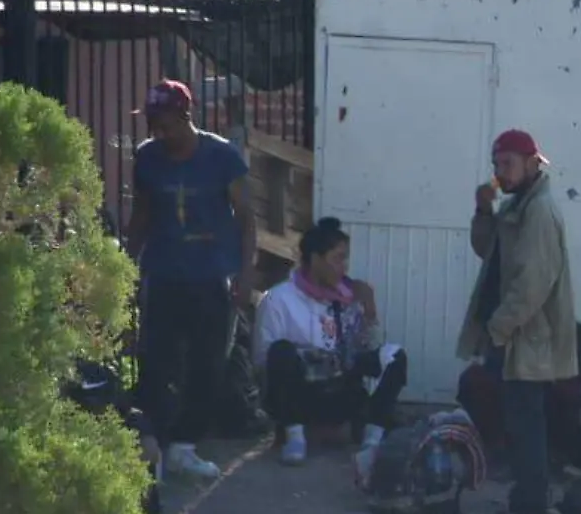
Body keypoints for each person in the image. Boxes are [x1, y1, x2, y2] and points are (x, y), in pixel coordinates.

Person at [124, 79, 256, 482]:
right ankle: (156, 449)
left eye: (165, 125)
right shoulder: (147, 159)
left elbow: (246, 217)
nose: (160, 134)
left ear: (186, 115)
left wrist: (246, 274)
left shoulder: (223, 158)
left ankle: (185, 446)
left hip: (211, 276)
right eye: (153, 126)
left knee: (207, 364)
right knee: (156, 363)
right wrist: (127, 266)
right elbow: (142, 216)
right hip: (164, 275)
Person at [458, 130, 578, 514]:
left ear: (532, 162)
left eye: (508, 163)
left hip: (527, 334)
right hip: (514, 333)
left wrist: (499, 327)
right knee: (517, 417)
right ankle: (526, 500)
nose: (501, 172)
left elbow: (532, 283)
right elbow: (487, 250)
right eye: (496, 165)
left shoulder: (540, 210)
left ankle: (529, 507)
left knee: (526, 420)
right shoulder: (516, 206)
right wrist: (482, 210)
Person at [253, 218, 407, 480]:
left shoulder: (346, 296)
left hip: (339, 388)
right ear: (315, 259)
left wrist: (368, 308)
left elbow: (366, 348)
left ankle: (372, 439)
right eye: (338, 259)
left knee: (395, 356)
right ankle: (295, 436)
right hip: (299, 394)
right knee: (281, 351)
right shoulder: (279, 299)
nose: (344, 267)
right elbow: (263, 362)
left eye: (346, 259)